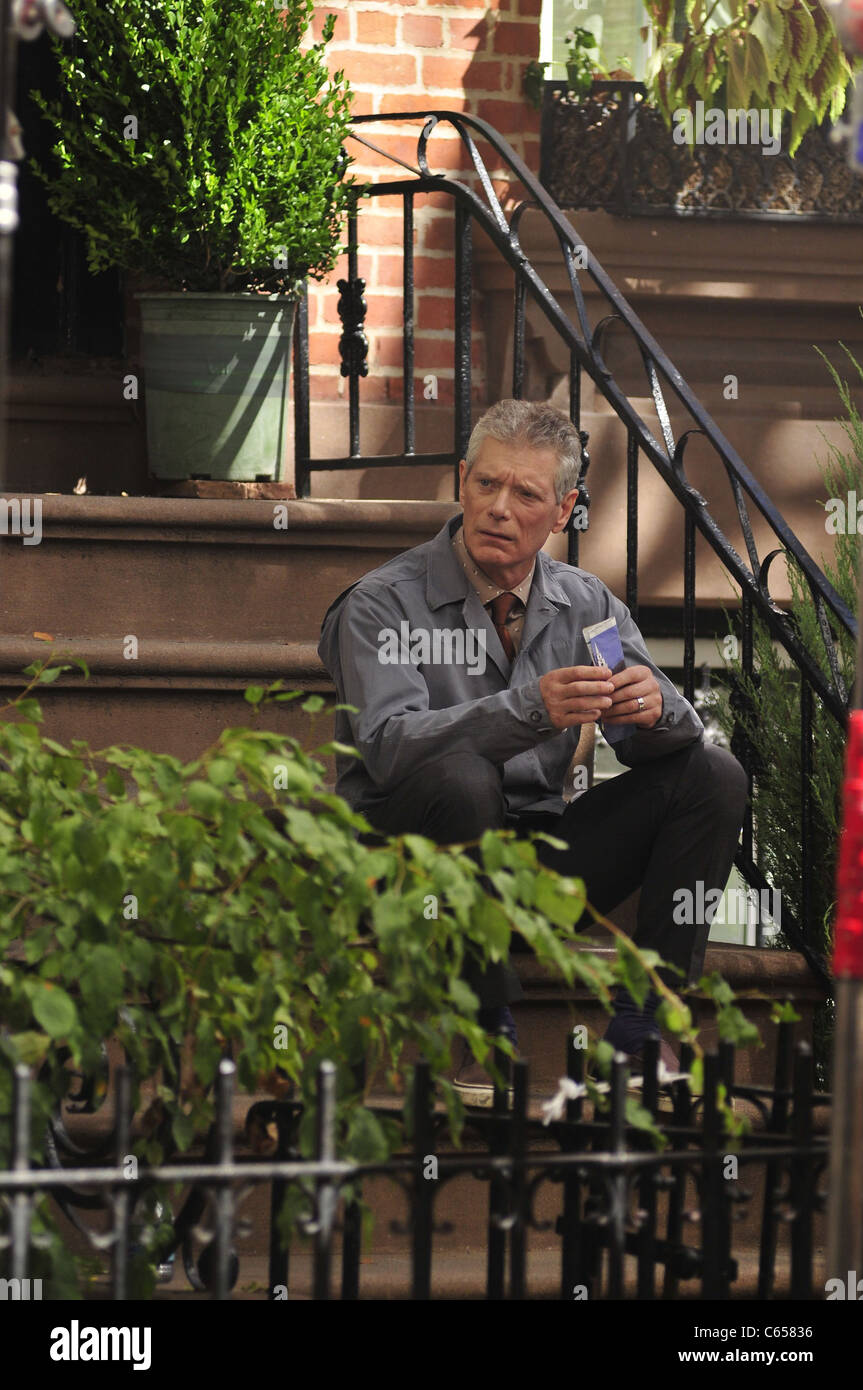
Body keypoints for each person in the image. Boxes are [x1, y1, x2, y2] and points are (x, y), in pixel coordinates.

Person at [318, 399, 748, 1105]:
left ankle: (640, 1031)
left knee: (710, 772)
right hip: (407, 871)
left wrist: (655, 708)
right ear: (461, 481)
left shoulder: (586, 608)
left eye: (525, 493)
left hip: (530, 871)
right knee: (461, 779)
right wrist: (526, 711)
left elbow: (651, 742)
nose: (499, 508)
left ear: (563, 509)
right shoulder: (381, 605)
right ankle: (483, 1029)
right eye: (486, 484)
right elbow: (390, 749)